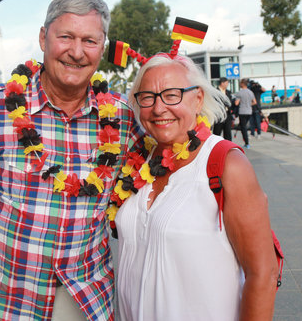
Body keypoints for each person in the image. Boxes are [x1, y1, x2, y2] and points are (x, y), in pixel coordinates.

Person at [0, 0, 142, 321]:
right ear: (44, 38)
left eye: (89, 40)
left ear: (102, 47)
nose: (76, 51)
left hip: (85, 301)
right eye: (66, 36)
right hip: (2, 303)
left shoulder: (123, 120)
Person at [114, 54, 278, 320]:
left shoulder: (226, 163)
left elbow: (263, 273)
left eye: (172, 95)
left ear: (198, 99)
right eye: (147, 97)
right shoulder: (139, 161)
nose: (158, 108)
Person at [235, 79, 256, 149]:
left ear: (242, 84)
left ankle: (247, 143)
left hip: (242, 111)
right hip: (249, 111)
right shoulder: (251, 92)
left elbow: (236, 103)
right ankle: (246, 141)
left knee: (243, 127)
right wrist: (249, 104)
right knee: (244, 126)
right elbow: (255, 102)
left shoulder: (239, 93)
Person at [212, 77, 234, 141]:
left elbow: (230, 102)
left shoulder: (228, 92)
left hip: (227, 114)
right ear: (222, 83)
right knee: (217, 132)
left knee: (228, 132)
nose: (227, 84)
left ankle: (228, 147)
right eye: (227, 83)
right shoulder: (215, 92)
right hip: (219, 114)